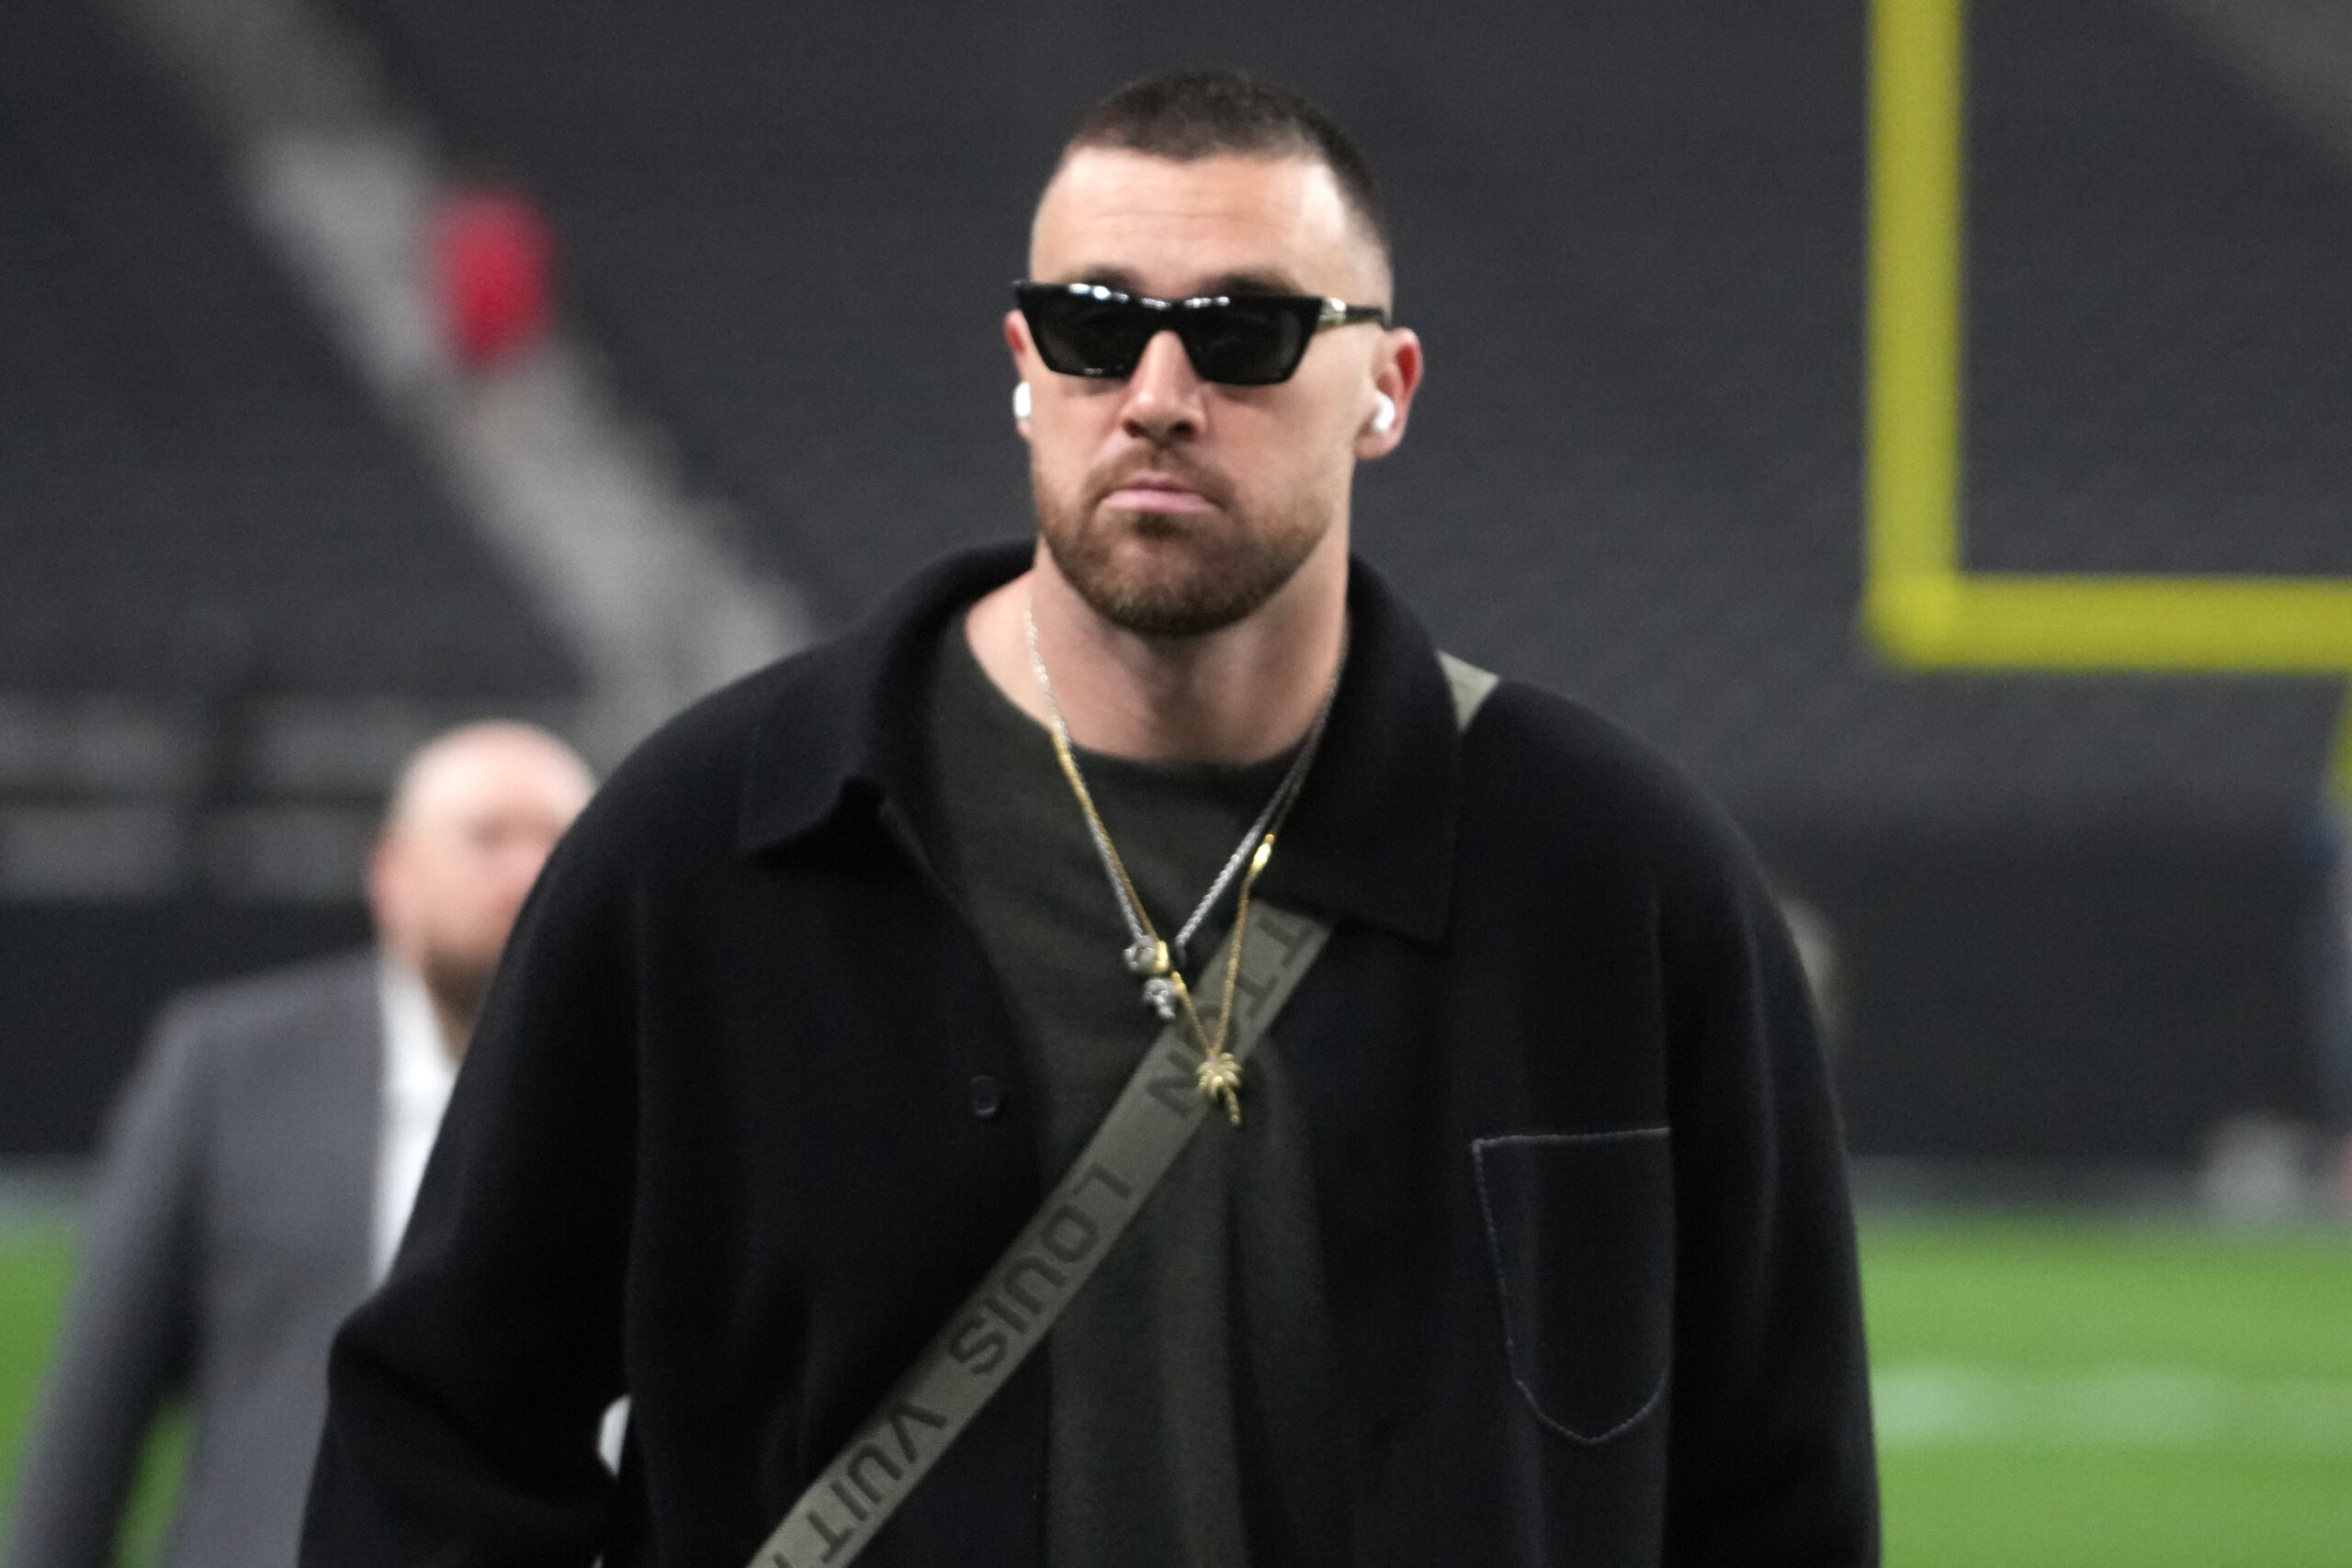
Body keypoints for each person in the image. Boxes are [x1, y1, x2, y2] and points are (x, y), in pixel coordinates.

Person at [301, 68, 1877, 1566]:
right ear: (1023, 365)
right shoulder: (714, 844)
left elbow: (1777, 1497)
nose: (1159, 396)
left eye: (1246, 332)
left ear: (1386, 390)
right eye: (1094, 327)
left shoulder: (1623, 883)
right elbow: (438, 1438)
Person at [4, 723, 594, 1568]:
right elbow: (92, 1420)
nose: (525, 871)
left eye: (558, 843)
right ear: (393, 873)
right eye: (486, 837)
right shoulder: (229, 1069)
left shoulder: (657, 1083)